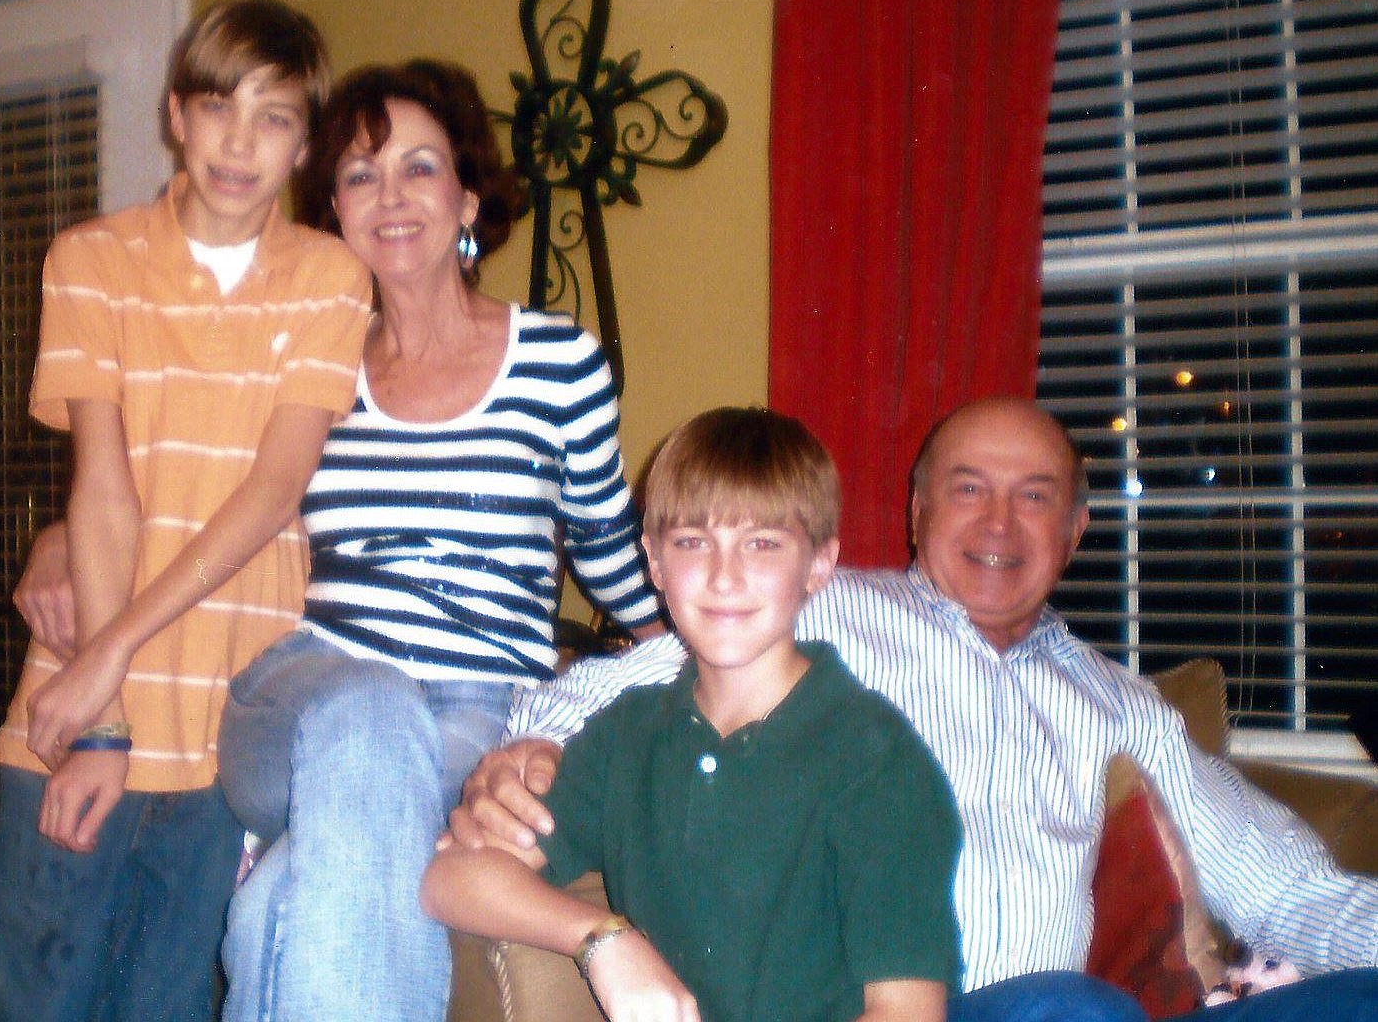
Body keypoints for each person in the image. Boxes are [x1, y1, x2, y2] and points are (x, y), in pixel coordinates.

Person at [455, 397, 1378, 1022]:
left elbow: (1289, 892)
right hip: (949, 1005)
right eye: (968, 489)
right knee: (1067, 1007)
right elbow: (620, 687)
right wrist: (531, 747)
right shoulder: (821, 612)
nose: (998, 523)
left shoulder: (1120, 703)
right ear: (915, 509)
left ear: (1074, 531)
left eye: (1034, 498)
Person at [216, 60, 664, 1021]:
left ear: (466, 197)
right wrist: (63, 544)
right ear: (334, 211)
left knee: (268, 911)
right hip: (302, 691)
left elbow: (612, 555)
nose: (389, 196)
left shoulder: (557, 363)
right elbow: (202, 497)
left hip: (475, 708)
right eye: (360, 174)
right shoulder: (310, 367)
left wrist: (717, 644)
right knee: (368, 706)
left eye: (418, 168)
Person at [0, 0, 371, 1022]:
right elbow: (103, 489)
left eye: (273, 118)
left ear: (303, 145)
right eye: (218, 108)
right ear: (175, 115)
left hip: (223, 729)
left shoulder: (331, 279)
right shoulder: (90, 259)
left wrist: (110, 658)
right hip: (75, 713)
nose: (239, 144)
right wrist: (104, 715)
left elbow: (272, 492)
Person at [424, 406, 962, 1022]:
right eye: (692, 542)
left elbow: (906, 1011)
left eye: (762, 544)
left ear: (818, 564)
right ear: (653, 562)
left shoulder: (875, 759)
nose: (724, 578)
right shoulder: (628, 735)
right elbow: (451, 878)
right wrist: (602, 939)